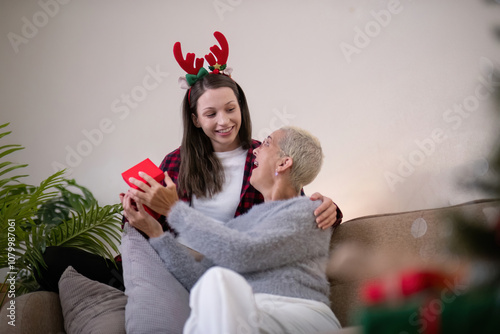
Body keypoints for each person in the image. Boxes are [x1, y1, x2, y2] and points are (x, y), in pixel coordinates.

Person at [122, 126, 341, 333]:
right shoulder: (242, 224)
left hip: (301, 314)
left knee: (216, 281)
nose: (255, 150)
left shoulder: (308, 211)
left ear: (283, 163)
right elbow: (198, 277)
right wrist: (155, 233)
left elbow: (244, 254)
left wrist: (173, 209)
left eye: (266, 144)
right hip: (250, 315)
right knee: (211, 285)